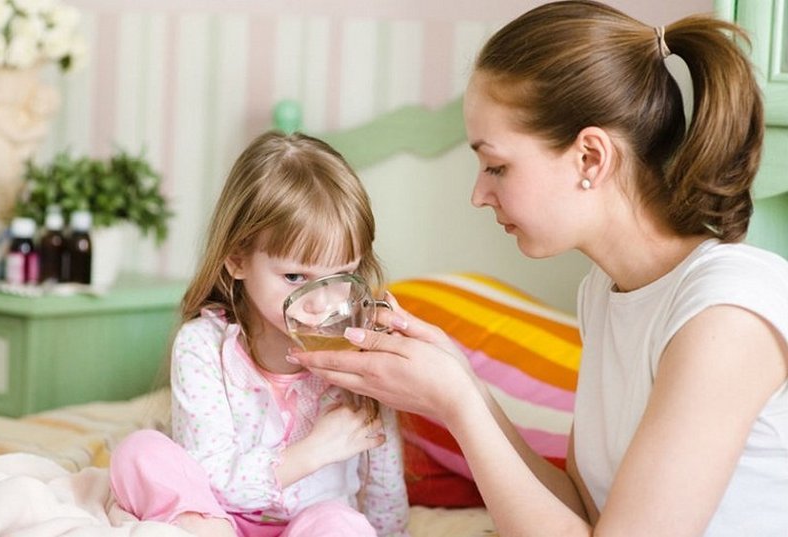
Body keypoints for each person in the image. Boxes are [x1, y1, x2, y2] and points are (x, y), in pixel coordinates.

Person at [287, 1, 788, 536]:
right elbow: (581, 509)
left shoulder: (725, 314)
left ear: (590, 158)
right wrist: (468, 388)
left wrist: (459, 408)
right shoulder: (605, 291)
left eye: (497, 166)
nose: (479, 194)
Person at [109, 131, 409, 537]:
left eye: (341, 276)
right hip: (216, 519)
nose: (322, 303)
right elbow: (208, 477)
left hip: (315, 525)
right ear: (237, 260)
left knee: (344, 526)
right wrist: (313, 451)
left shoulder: (360, 352)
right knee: (139, 452)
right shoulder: (203, 346)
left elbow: (384, 478)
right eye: (294, 276)